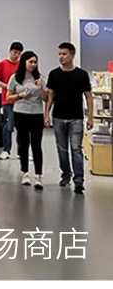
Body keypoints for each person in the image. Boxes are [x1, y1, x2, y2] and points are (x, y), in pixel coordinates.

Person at [44, 42, 93, 194]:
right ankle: (66, 174)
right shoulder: (54, 74)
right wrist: (46, 114)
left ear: (72, 55)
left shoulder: (81, 75)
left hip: (76, 118)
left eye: (64, 54)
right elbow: (50, 96)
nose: (61, 57)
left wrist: (90, 117)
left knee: (76, 149)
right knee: (62, 149)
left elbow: (88, 96)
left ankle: (79, 180)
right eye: (59, 54)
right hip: (58, 116)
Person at [6, 50, 48, 189]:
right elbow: (8, 97)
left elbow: (46, 98)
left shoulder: (40, 78)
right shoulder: (15, 78)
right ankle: (25, 173)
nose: (33, 64)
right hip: (21, 113)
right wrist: (20, 95)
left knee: (36, 144)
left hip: (36, 114)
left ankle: (38, 175)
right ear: (24, 62)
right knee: (23, 144)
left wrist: (41, 89)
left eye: (35, 62)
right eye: (30, 62)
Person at [0, 41, 24, 160]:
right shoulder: (2, 64)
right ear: (10, 51)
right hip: (7, 100)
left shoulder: (22, 65)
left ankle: (22, 152)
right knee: (8, 126)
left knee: (22, 127)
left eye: (19, 53)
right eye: (15, 52)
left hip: (21, 100)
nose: (16, 55)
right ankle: (6, 150)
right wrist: (8, 87)